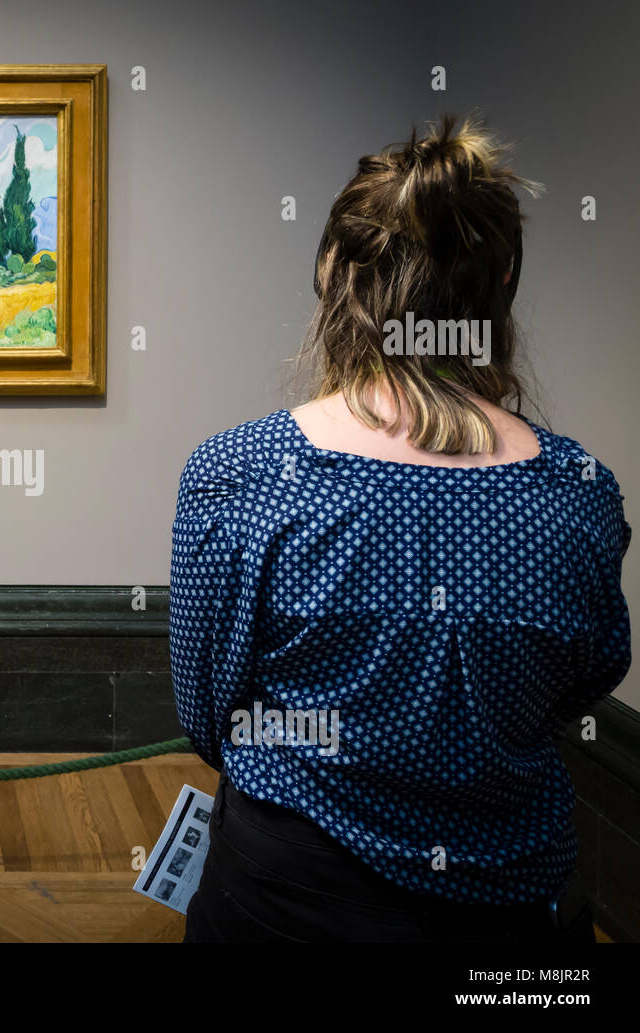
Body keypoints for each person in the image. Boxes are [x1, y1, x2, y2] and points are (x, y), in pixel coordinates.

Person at [173, 114, 630, 942]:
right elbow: (586, 677)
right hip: (510, 916)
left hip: (282, 905)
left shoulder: (239, 474)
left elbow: (210, 716)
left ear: (330, 276)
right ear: (501, 288)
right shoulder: (580, 490)